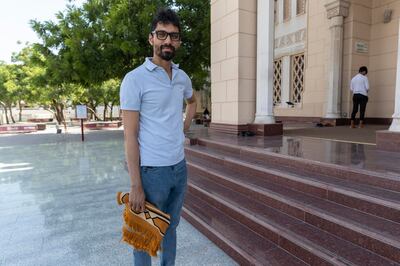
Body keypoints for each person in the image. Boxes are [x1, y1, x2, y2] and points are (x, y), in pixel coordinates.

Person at [119, 8, 197, 266]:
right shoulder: (135, 79)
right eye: (162, 34)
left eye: (173, 36)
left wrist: (183, 129)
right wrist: (135, 185)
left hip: (179, 167)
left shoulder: (181, 76)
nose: (167, 41)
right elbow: (129, 135)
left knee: (170, 228)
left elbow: (192, 102)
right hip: (151, 171)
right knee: (143, 235)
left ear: (179, 42)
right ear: (151, 38)